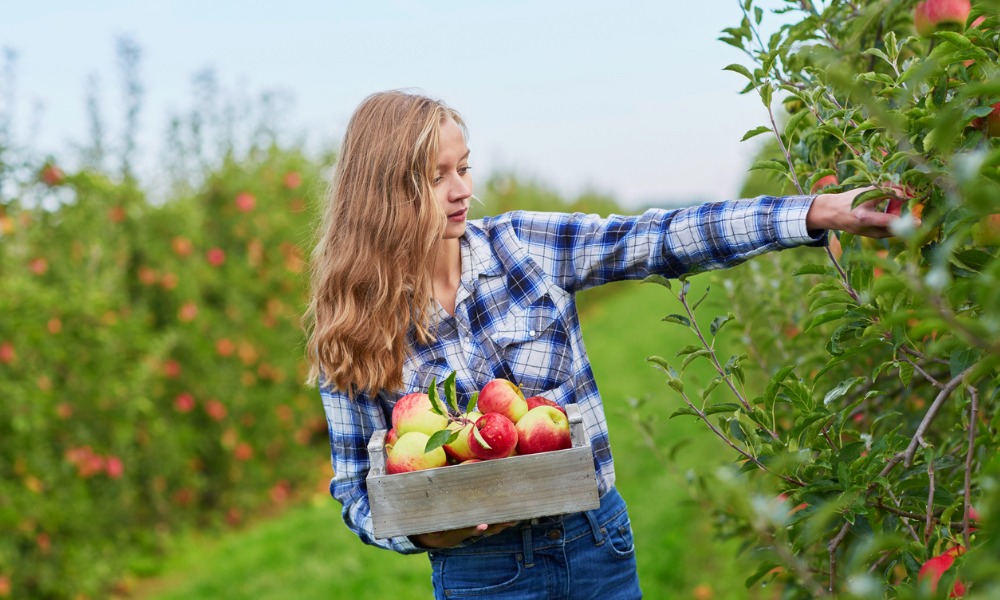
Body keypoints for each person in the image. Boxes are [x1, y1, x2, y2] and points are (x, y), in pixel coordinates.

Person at [305, 89, 902, 599]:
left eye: (464, 167)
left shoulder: (523, 248)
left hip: (594, 542)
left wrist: (817, 211)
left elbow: (657, 237)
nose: (461, 189)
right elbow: (357, 488)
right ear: (383, 193)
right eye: (437, 177)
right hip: (479, 572)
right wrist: (427, 531)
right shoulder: (357, 322)